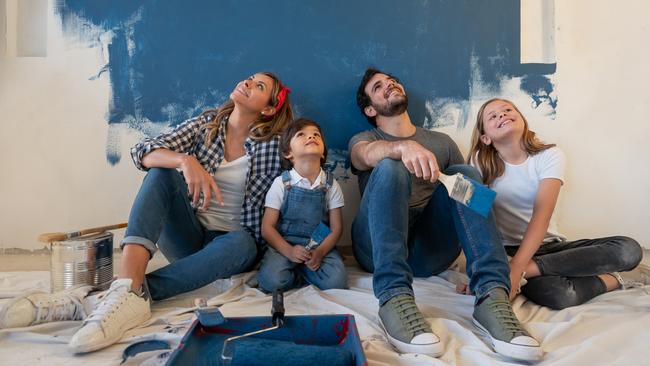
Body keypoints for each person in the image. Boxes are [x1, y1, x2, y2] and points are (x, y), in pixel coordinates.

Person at [0, 72, 294, 353]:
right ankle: (127, 290)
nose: (248, 83)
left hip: (231, 247)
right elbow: (142, 151)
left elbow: (299, 188)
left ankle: (103, 298)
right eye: (250, 79)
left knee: (243, 241)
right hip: (189, 239)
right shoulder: (207, 125)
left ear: (269, 109)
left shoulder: (275, 145)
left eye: (259, 86)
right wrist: (184, 160)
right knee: (160, 173)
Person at [348, 68, 542, 361]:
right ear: (370, 108)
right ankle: (394, 297)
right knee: (389, 165)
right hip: (377, 248)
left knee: (465, 174)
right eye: (379, 86)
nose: (390, 84)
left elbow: (467, 206)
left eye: (392, 81)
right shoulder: (365, 138)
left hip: (430, 251)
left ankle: (491, 295)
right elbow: (362, 156)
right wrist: (401, 148)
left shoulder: (442, 142)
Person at [465, 98, 643, 309]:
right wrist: (482, 271)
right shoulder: (479, 163)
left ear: (522, 119)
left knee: (628, 250)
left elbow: (541, 215)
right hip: (505, 252)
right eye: (492, 116)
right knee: (560, 296)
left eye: (507, 110)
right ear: (485, 138)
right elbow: (474, 220)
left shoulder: (549, 156)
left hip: (550, 247)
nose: (502, 115)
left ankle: (528, 269)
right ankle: (615, 279)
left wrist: (517, 269)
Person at [257, 118, 348, 292]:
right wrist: (289, 252)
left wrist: (320, 253)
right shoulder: (281, 183)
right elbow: (267, 228)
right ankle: (296, 270)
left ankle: (307, 268)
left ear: (322, 154)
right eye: (301, 134)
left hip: (319, 244)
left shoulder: (330, 184)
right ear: (287, 153)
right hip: (285, 244)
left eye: (316, 134)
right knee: (270, 282)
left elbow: (336, 229)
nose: (311, 137)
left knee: (337, 282)